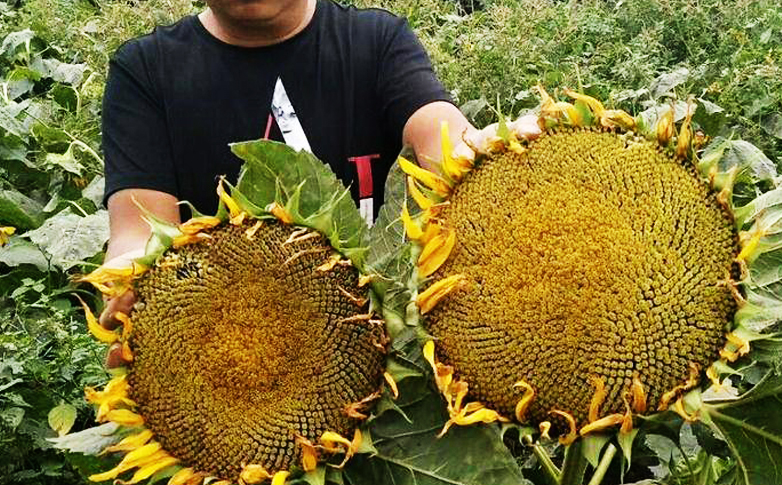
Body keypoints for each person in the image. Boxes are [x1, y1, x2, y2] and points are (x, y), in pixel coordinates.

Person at [98, 0, 537, 344]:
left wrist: (490, 155)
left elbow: (443, 139)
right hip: (231, 362)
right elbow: (138, 229)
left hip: (390, 355)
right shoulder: (146, 72)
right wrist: (129, 275)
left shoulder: (375, 41)